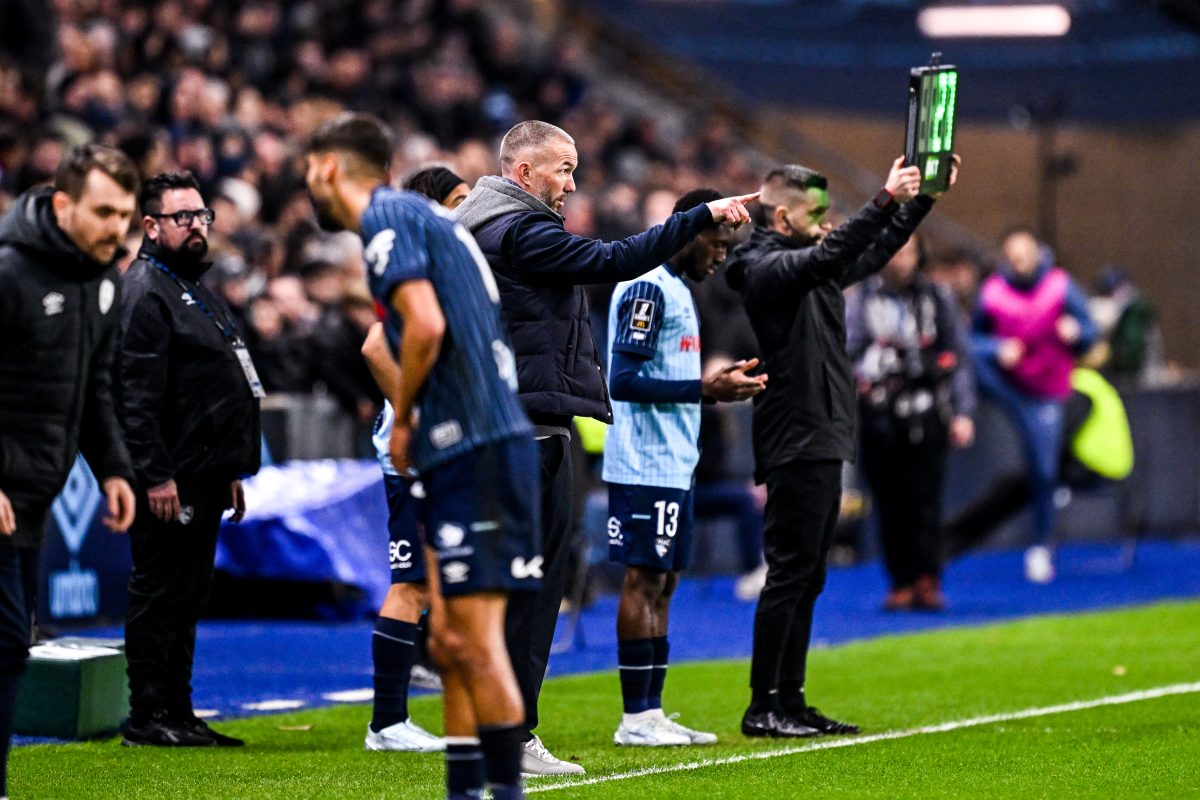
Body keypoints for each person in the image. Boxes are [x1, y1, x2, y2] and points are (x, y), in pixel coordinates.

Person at [454, 119, 756, 775]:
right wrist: (697, 215)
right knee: (536, 586)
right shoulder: (519, 231)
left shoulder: (478, 227)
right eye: (563, 168)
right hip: (531, 424)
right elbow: (612, 260)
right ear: (523, 172)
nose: (571, 182)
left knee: (514, 583)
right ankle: (511, 733)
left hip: (504, 419)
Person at [305, 112, 538, 800]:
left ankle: (504, 789)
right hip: (479, 442)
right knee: (455, 642)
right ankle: (464, 790)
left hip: (474, 446)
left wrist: (403, 418)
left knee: (476, 641)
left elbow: (425, 327)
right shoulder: (424, 219)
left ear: (326, 167)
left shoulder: (387, 219)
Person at [724, 155, 957, 738]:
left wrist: (922, 199)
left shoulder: (807, 266)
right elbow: (834, 252)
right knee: (790, 572)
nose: (827, 223)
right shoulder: (763, 267)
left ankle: (791, 699)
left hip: (822, 431)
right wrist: (885, 198)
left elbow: (874, 253)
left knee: (809, 575)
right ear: (783, 219)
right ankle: (763, 705)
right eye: (818, 213)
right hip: (795, 434)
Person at [604, 188, 767, 746]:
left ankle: (652, 711)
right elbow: (623, 380)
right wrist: (704, 388)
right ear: (690, 233)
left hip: (674, 461)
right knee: (644, 579)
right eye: (716, 244)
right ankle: (635, 717)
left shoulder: (677, 287)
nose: (720, 257)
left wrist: (713, 388)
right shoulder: (647, 285)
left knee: (666, 582)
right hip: (644, 462)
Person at [0, 143, 139, 793]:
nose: (117, 228)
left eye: (126, 215)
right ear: (62, 206)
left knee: (10, 645)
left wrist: (113, 468)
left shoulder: (102, 281)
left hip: (34, 496)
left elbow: (94, 387)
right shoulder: (9, 272)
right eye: (104, 212)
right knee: (6, 641)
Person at [114, 170, 262, 747]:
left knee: (189, 592)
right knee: (160, 590)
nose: (197, 226)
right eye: (184, 218)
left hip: (203, 470)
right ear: (151, 226)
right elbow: (136, 395)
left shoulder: (190, 284)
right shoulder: (145, 289)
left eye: (202, 216)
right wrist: (155, 475)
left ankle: (179, 710)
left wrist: (228, 469)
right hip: (170, 474)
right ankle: (148, 714)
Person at [355, 168, 475, 755]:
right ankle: (387, 723)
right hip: (413, 455)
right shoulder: (414, 266)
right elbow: (376, 345)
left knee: (432, 584)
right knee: (411, 584)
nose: (466, 212)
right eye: (458, 201)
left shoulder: (437, 265)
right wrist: (412, 414)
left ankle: (400, 716)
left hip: (441, 449)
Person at [845, 235, 975, 611]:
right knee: (889, 502)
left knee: (926, 501)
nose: (899, 259)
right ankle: (900, 580)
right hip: (879, 417)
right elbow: (848, 353)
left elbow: (959, 356)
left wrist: (964, 412)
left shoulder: (937, 297)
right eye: (894, 251)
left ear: (918, 256)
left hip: (928, 412)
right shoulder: (863, 299)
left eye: (907, 252)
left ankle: (927, 578)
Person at [971, 227, 1097, 583]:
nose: (1019, 262)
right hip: (1010, 389)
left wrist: (1077, 332)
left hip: (1046, 394)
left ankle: (1042, 546)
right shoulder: (992, 292)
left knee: (1043, 471)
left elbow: (1090, 332)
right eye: (1012, 256)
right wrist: (996, 348)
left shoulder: (1061, 286)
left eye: (1024, 254)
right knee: (971, 366)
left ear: (1037, 254)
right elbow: (971, 340)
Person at [945, 367, 1134, 558]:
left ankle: (951, 542)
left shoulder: (1080, 385)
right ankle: (953, 538)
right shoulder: (1096, 383)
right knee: (1019, 484)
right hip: (1106, 467)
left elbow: (1060, 437)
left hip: (1089, 469)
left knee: (1023, 485)